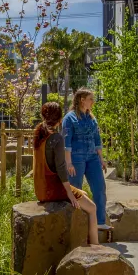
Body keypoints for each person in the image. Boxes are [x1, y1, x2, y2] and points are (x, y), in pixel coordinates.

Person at [33, 101, 100, 246]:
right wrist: (70, 193)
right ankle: (96, 247)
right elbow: (61, 168)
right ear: (60, 119)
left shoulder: (39, 134)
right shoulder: (56, 138)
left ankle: (87, 241)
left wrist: (73, 191)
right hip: (53, 189)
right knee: (92, 208)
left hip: (40, 189)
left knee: (83, 193)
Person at [63, 88, 107, 228]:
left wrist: (101, 158)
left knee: (100, 187)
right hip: (76, 158)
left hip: (92, 157)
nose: (92, 102)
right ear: (82, 100)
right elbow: (66, 141)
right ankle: (78, 223)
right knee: (76, 190)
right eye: (90, 99)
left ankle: (100, 222)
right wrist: (68, 162)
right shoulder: (69, 118)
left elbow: (97, 139)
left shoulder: (92, 118)